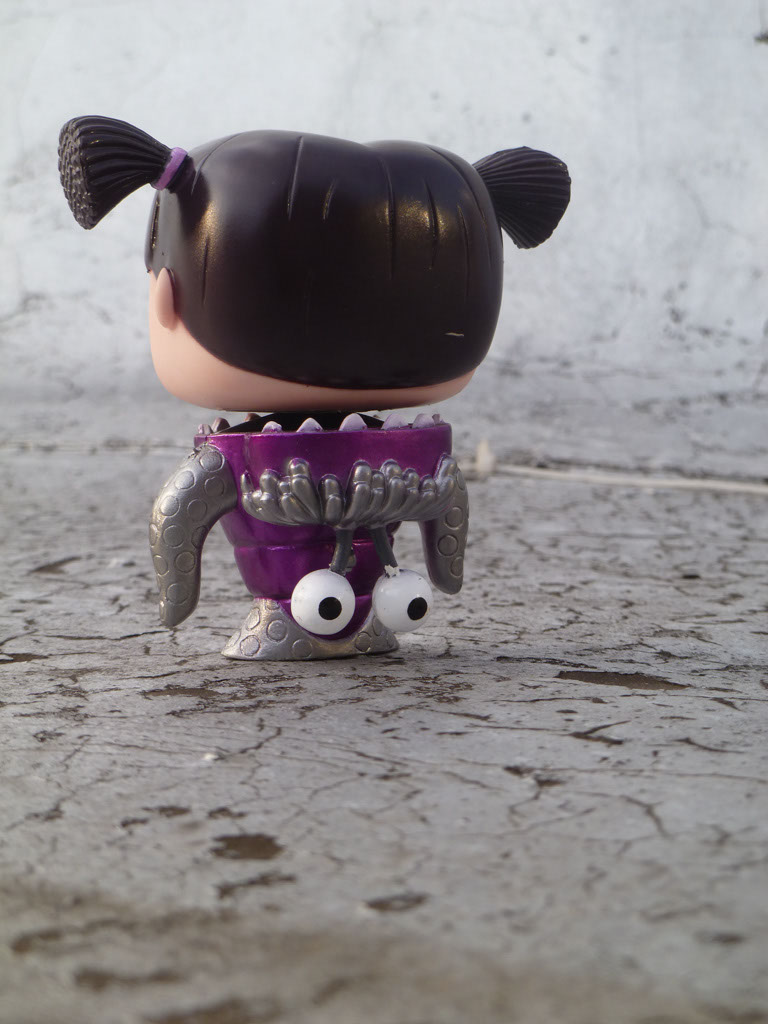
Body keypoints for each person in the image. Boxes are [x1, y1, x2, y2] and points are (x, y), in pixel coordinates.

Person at [59, 115, 570, 660]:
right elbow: (447, 502)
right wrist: (446, 565)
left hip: (312, 608)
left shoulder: (234, 458)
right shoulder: (418, 454)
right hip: (356, 602)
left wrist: (177, 595)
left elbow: (176, 516)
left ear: (167, 293)